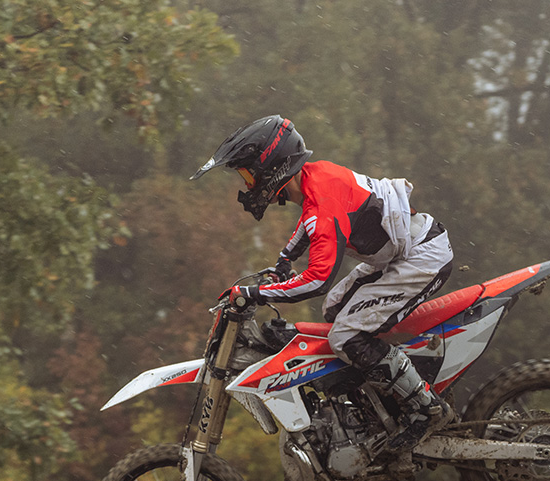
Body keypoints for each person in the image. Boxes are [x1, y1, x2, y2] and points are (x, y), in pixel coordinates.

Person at [191, 115, 454, 444]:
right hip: (400, 252)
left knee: (346, 335)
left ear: (272, 168)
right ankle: (375, 401)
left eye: (248, 175)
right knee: (334, 309)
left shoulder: (323, 204)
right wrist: (284, 260)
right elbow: (310, 220)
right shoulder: (315, 179)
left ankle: (427, 408)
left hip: (421, 258)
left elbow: (317, 280)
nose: (247, 185)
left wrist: (254, 293)